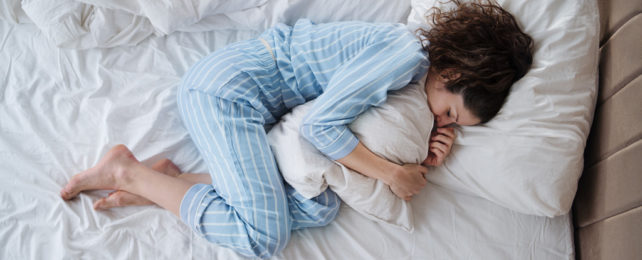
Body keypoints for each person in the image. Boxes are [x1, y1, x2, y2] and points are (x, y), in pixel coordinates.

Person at [60, 0, 533, 258]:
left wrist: (428, 149)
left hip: (251, 108)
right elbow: (322, 129)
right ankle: (129, 173)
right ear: (451, 75)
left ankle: (169, 182)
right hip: (227, 93)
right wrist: (391, 174)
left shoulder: (411, 76)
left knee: (320, 205)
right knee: (261, 237)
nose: (442, 122)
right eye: (450, 113)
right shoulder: (406, 56)